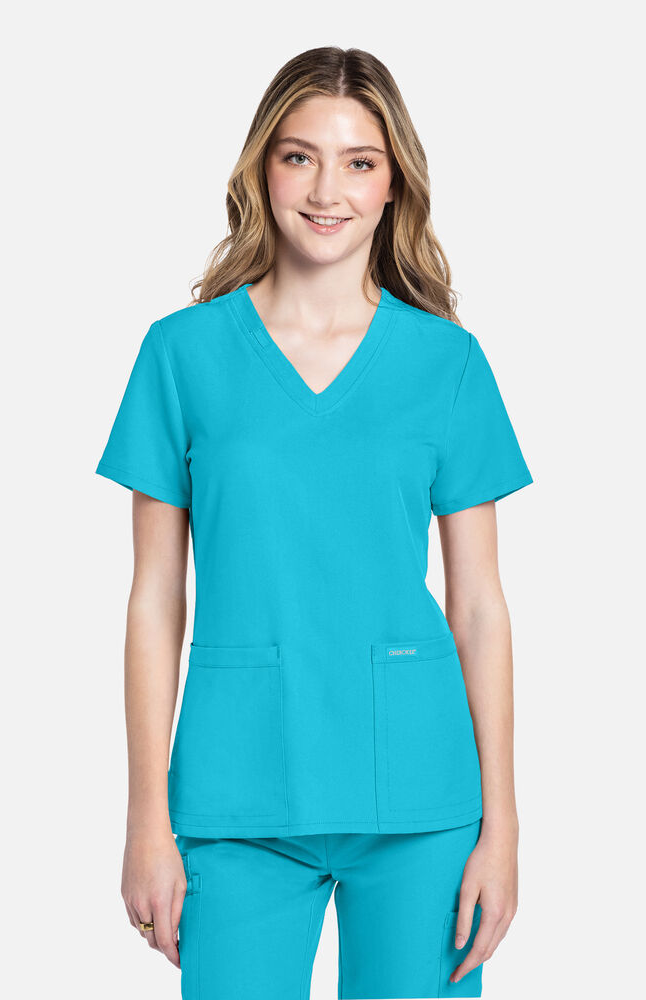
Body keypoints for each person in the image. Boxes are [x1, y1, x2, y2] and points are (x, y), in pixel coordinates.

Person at [95, 46, 533, 1000]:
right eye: (300, 157)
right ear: (262, 170)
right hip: (235, 791)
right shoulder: (181, 355)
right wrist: (145, 820)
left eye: (359, 162)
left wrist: (502, 827)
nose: (327, 190)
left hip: (420, 792)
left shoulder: (448, 363)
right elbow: (154, 599)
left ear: (394, 183)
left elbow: (479, 607)